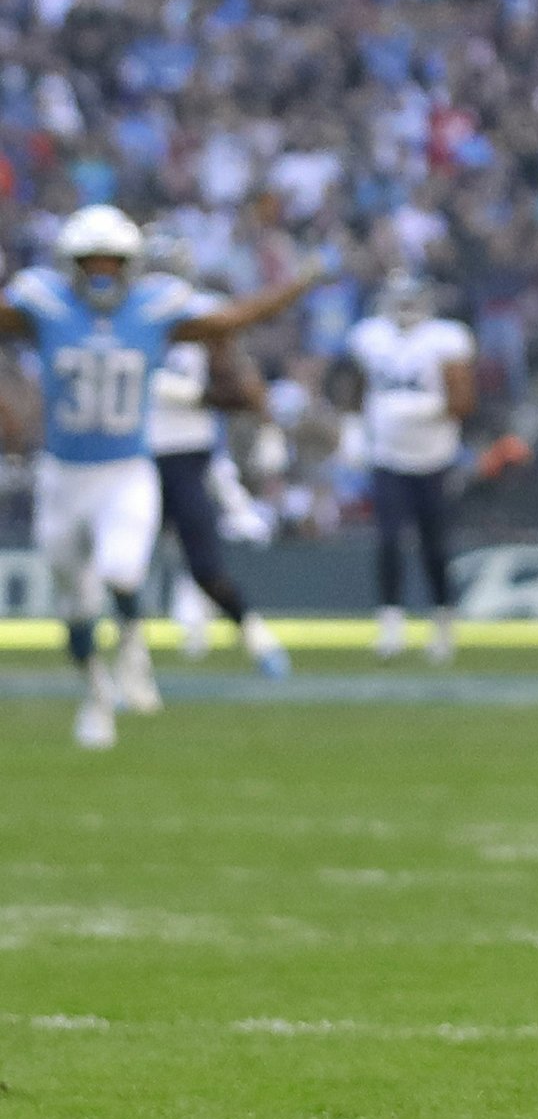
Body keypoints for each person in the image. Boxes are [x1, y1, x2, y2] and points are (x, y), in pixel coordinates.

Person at [1, 208, 315, 746]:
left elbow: (233, 319)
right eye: (90, 262)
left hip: (126, 469)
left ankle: (129, 646)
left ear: (132, 265)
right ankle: (97, 692)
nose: (101, 273)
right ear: (69, 265)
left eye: (112, 262)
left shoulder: (154, 308)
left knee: (123, 574)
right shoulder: (44, 304)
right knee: (75, 610)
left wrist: (299, 282)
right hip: (63, 476)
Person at [141, 235, 289, 679]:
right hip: (131, 454)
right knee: (123, 564)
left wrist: (190, 394)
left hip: (188, 453)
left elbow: (236, 391)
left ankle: (256, 636)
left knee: (204, 564)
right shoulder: (122, 316)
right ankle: (131, 660)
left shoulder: (204, 314)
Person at [337, 271, 477, 664]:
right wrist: (352, 430)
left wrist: (427, 408)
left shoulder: (446, 339)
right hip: (387, 456)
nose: (405, 309)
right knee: (388, 541)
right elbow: (356, 387)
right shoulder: (370, 336)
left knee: (435, 545)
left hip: (434, 457)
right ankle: (390, 626)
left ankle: (444, 625)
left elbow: (464, 401)